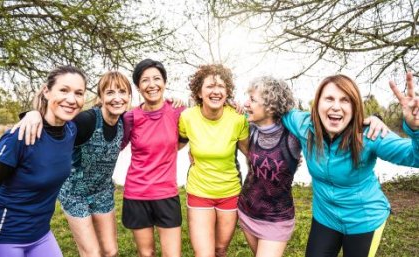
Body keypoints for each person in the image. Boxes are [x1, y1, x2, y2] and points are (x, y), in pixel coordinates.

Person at [279, 72, 419, 257]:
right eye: (329, 98)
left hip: (364, 220)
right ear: (317, 104)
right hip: (325, 217)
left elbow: (413, 157)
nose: (336, 106)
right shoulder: (304, 125)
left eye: (345, 100)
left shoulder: (370, 136)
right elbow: (276, 109)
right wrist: (236, 106)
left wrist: (415, 129)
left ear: (355, 107)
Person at [10, 71, 132, 257]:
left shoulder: (125, 121)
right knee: (91, 253)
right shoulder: (87, 121)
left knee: (111, 250)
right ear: (100, 97)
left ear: (129, 96)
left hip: (103, 191)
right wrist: (33, 113)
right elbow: (54, 125)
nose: (117, 98)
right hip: (75, 194)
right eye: (110, 92)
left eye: (122, 92)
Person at [0, 65, 87, 257]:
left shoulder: (70, 130)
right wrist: (31, 114)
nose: (71, 99)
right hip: (7, 236)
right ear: (46, 91)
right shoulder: (20, 136)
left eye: (79, 93)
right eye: (64, 90)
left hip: (41, 234)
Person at [178, 64, 249, 257]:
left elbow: (253, 155)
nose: (216, 91)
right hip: (199, 191)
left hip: (230, 192)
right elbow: (174, 145)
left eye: (221, 87)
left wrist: (289, 156)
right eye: (210, 86)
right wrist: (169, 103)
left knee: (220, 250)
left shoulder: (237, 118)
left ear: (228, 92)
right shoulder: (187, 117)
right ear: (199, 92)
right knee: (204, 254)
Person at [121, 59, 185, 257]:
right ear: (138, 87)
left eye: (157, 78)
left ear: (164, 83)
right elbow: (113, 145)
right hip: (136, 194)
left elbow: (184, 139)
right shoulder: (130, 117)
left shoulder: (178, 112)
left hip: (166, 193)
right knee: (146, 253)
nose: (152, 84)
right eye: (145, 80)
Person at [238, 76, 302, 257]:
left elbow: (331, 134)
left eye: (252, 100)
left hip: (277, 218)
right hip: (247, 210)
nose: (246, 103)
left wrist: (370, 122)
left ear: (271, 106)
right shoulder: (247, 128)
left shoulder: (293, 136)